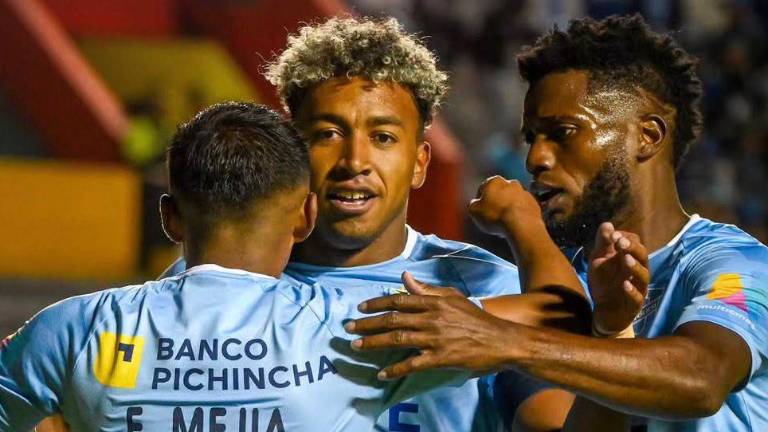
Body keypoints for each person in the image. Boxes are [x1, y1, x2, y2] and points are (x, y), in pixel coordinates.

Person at [164, 17, 599, 432]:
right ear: (292, 152)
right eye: (327, 134)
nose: (355, 162)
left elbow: (554, 421)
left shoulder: (487, 284)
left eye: (383, 138)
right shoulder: (214, 280)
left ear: (419, 162)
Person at [345, 14, 768, 432]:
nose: (535, 159)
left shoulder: (732, 267)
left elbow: (701, 379)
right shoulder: (547, 276)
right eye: (532, 138)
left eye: (563, 132)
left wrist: (502, 341)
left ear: (648, 136)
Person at [0, 102, 474, 431]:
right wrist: (527, 232)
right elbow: (534, 327)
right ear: (306, 216)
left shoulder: (73, 330)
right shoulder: (357, 326)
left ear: (170, 217)